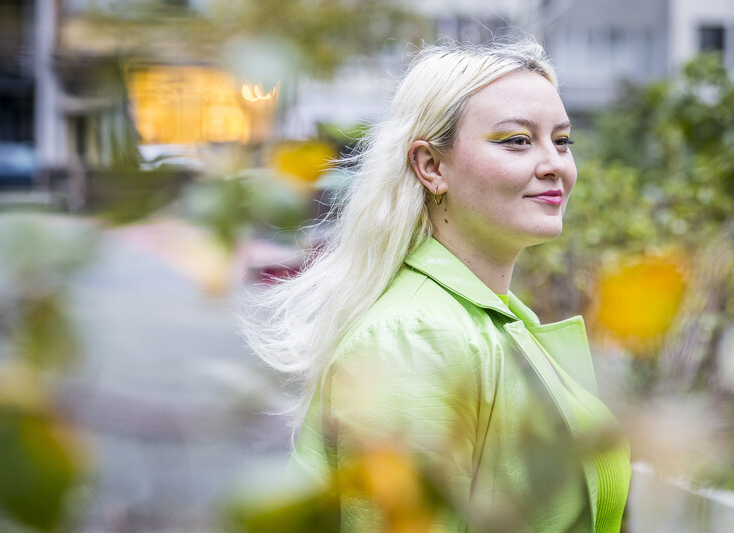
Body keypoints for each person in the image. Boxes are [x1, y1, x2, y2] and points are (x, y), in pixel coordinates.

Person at [243, 39, 631, 532]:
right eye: (516, 139)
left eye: (562, 140)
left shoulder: (480, 317)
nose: (554, 163)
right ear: (431, 166)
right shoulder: (418, 336)